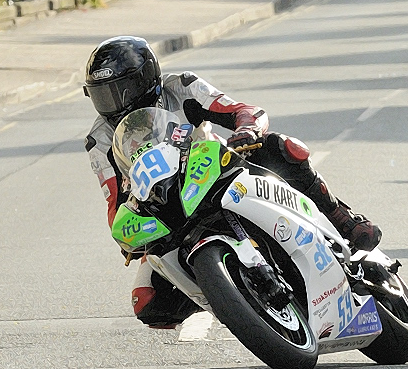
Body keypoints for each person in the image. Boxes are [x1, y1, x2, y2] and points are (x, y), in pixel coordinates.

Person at [83, 36, 383, 328]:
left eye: (122, 90)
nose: (115, 103)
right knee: (150, 304)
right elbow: (114, 200)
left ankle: (342, 218)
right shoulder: (99, 139)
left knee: (278, 147)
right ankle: (234, 295)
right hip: (166, 205)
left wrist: (248, 129)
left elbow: (243, 110)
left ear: (145, 78)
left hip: (215, 172)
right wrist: (126, 234)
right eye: (104, 95)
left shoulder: (182, 87)